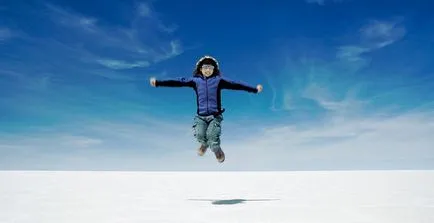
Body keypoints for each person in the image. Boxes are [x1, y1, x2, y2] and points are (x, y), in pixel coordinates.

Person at [149, 55, 263, 163]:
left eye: (210, 67)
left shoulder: (219, 81)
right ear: (200, 69)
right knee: (200, 135)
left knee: (212, 138)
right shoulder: (195, 81)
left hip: (215, 116)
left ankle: (217, 151)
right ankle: (204, 145)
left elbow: (237, 84)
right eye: (205, 67)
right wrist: (159, 82)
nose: (207, 70)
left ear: (214, 69)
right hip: (201, 117)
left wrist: (254, 89)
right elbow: (178, 82)